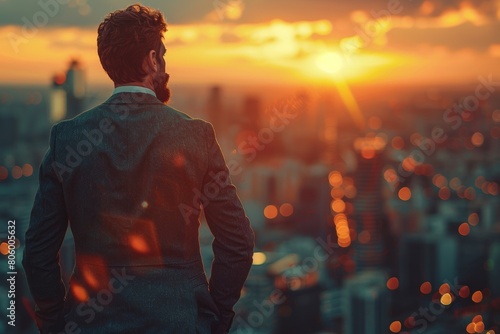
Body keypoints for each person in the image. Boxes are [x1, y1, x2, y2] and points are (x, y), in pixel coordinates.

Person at [22, 4, 255, 333]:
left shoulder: (68, 139)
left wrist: (53, 322)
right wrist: (215, 317)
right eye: (162, 55)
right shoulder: (196, 137)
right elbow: (238, 243)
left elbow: (38, 253)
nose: (165, 66)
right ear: (151, 61)